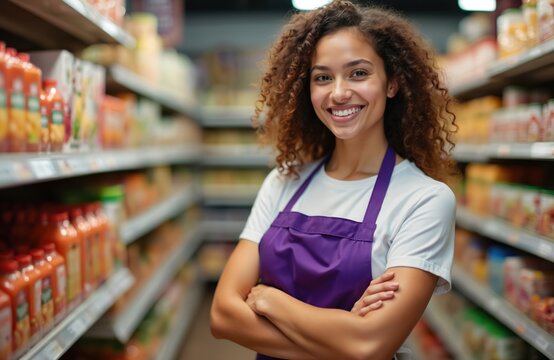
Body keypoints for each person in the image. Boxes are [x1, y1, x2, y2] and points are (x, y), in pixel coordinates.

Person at [210, 1, 457, 359]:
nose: (339, 93)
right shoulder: (284, 182)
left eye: (358, 73)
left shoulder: (424, 199)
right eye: (323, 77)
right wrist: (342, 338)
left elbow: (371, 344)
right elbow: (222, 316)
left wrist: (270, 299)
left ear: (393, 83)